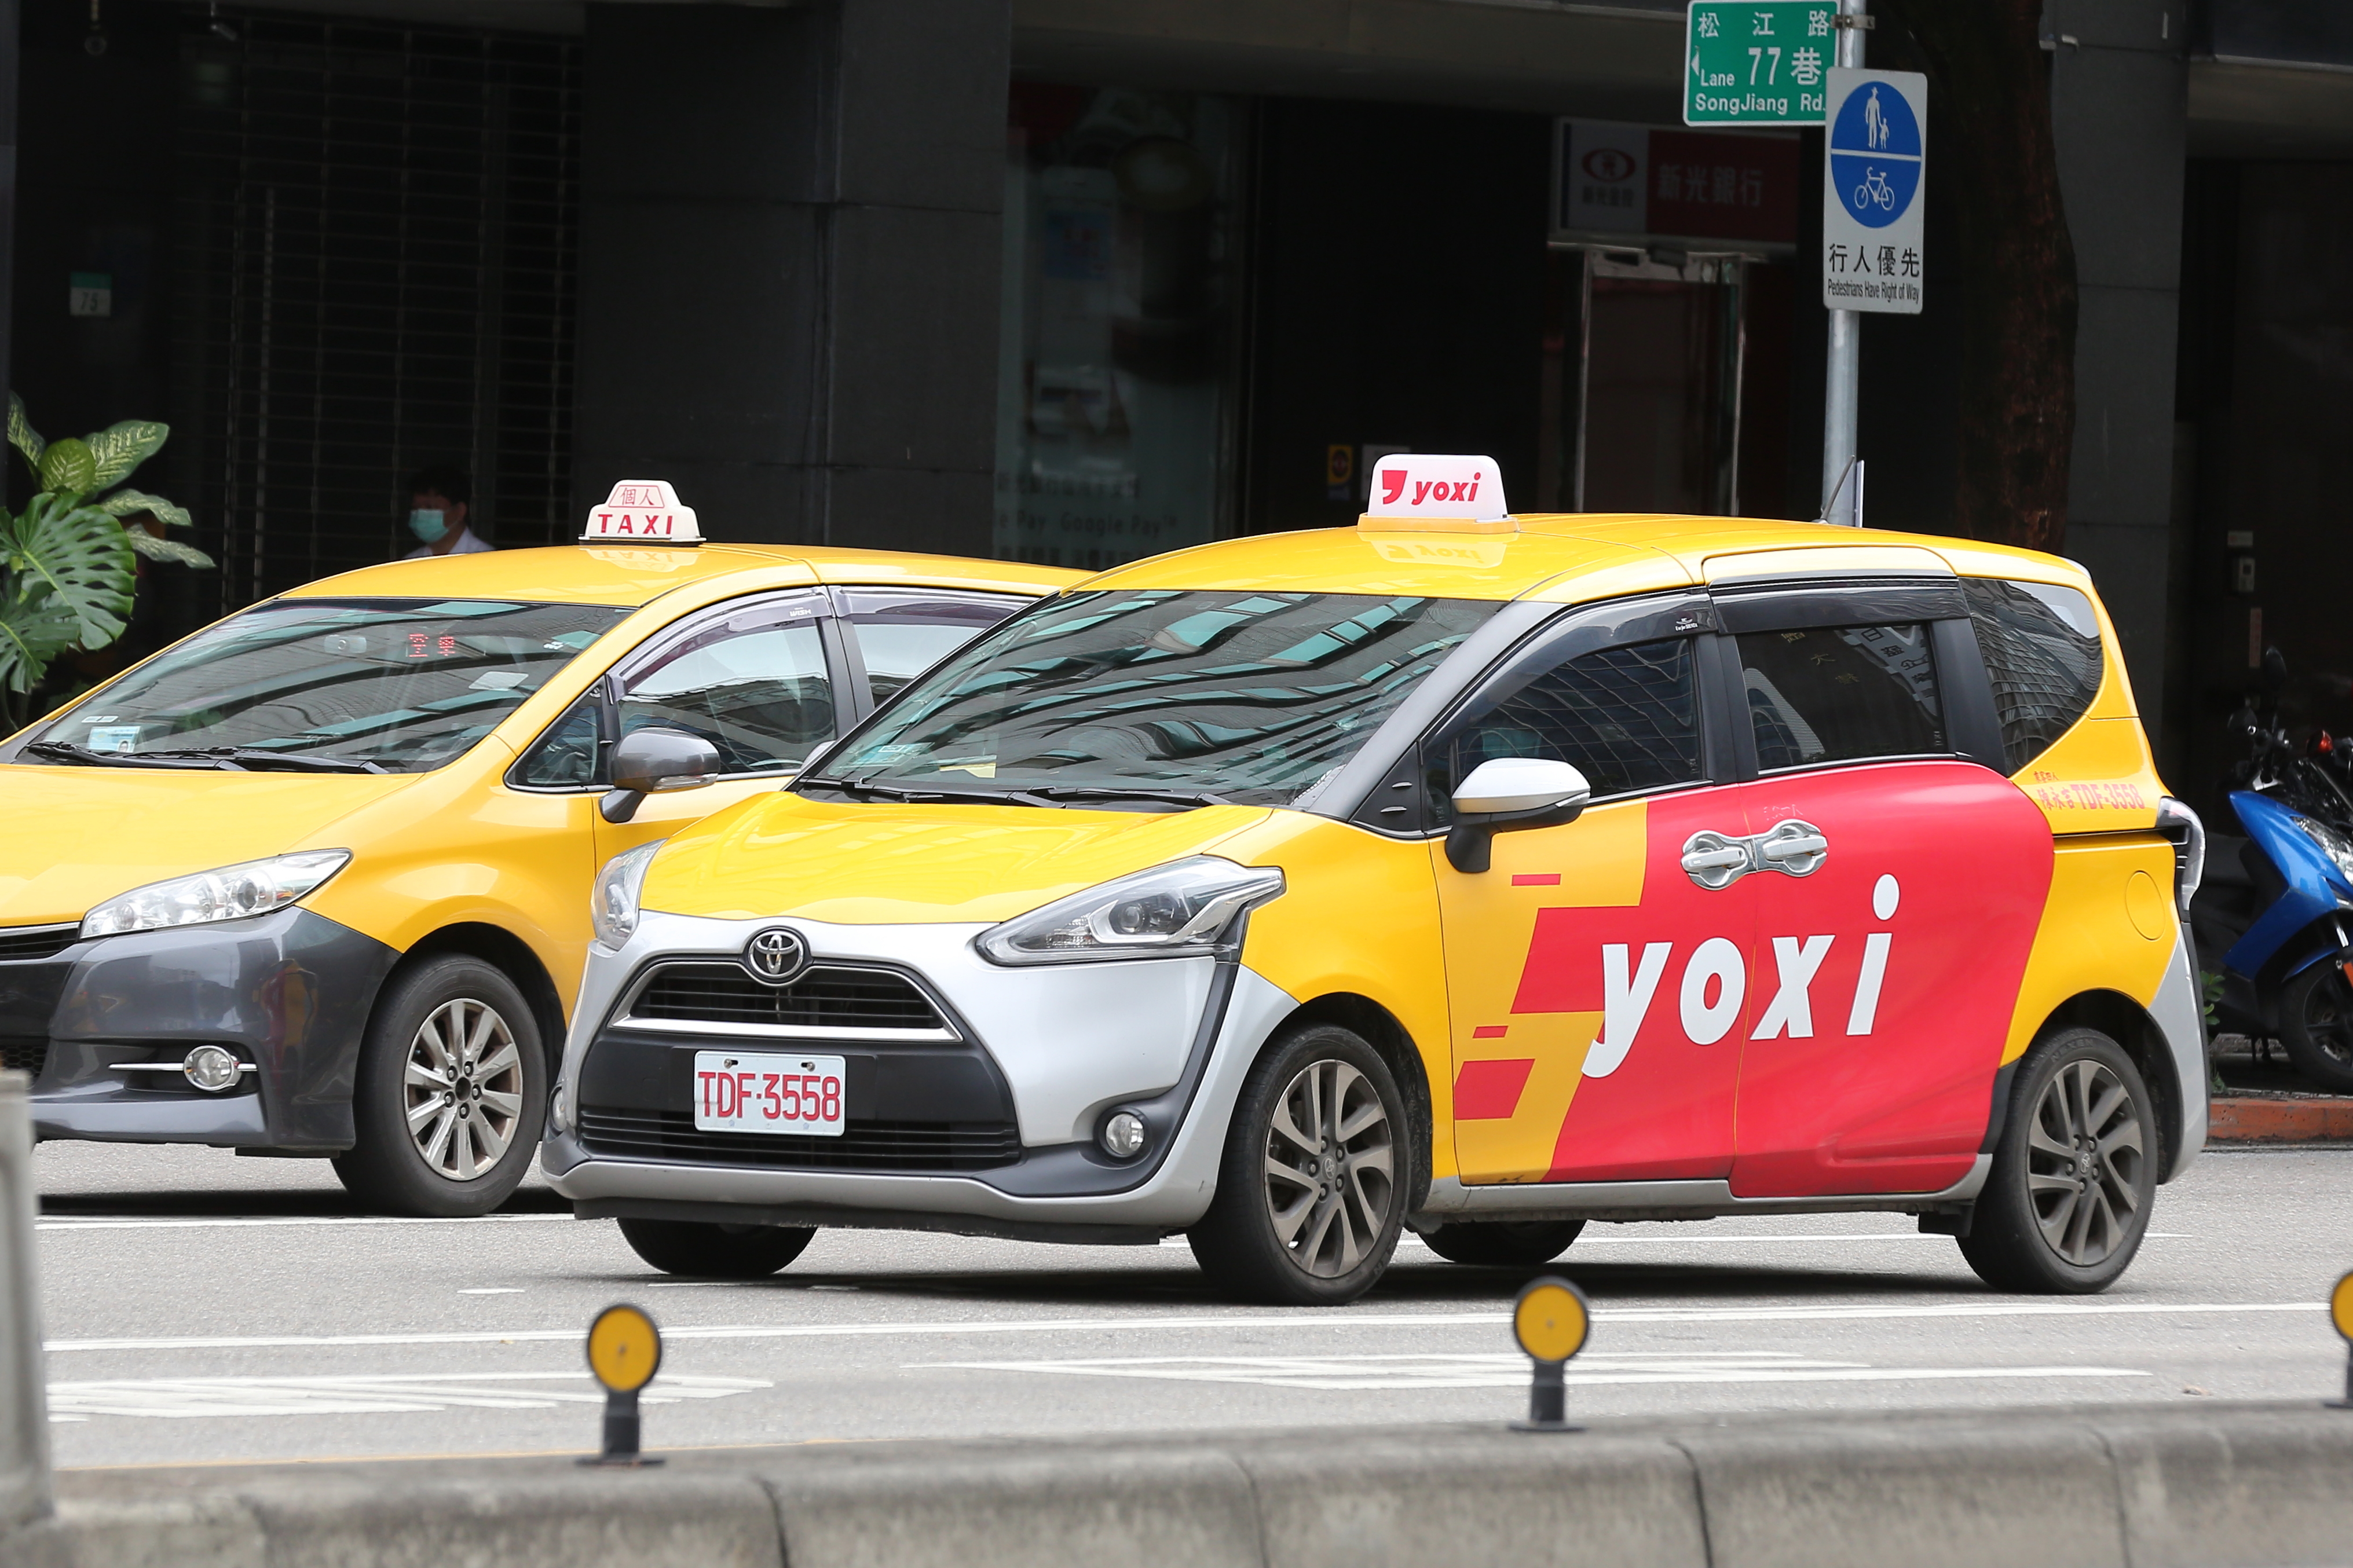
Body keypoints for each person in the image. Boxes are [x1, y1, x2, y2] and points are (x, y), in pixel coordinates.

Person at [402, 466, 495, 558]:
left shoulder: (485, 560)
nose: (420, 514)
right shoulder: (411, 562)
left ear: (460, 511)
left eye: (430, 507)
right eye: (415, 508)